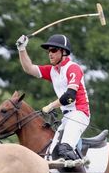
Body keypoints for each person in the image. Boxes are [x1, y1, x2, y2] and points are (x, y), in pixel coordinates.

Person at [16, 34, 90, 162]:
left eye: (54, 50)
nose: (50, 54)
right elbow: (29, 68)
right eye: (49, 50)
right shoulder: (53, 71)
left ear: (64, 52)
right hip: (66, 117)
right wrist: (22, 49)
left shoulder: (73, 68)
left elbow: (69, 97)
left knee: (64, 151)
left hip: (79, 114)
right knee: (51, 156)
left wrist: (50, 106)